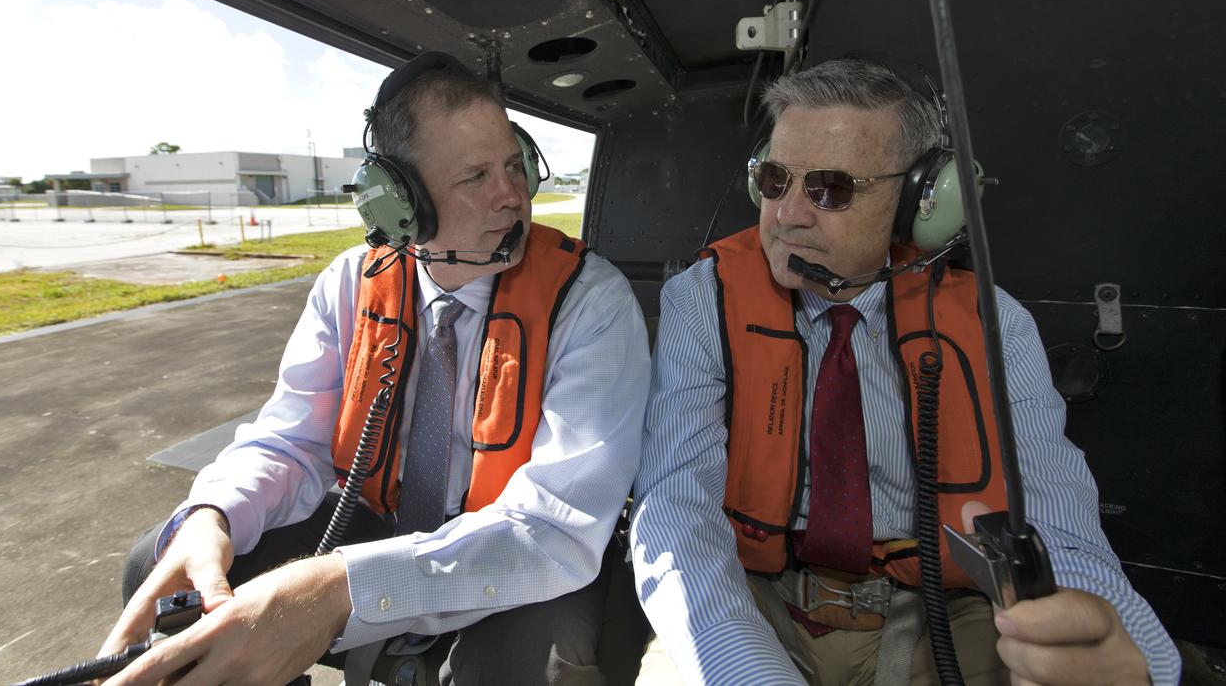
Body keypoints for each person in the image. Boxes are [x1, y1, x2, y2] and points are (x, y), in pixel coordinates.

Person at [100, 52, 650, 685]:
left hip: (518, 549)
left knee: (541, 670)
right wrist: (213, 515)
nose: (514, 195)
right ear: (400, 203)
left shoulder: (588, 298)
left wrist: (338, 589)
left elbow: (556, 526)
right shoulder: (350, 284)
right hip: (378, 518)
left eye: (513, 164)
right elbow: (289, 440)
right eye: (475, 177)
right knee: (163, 566)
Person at [629, 58, 1179, 685]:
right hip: (755, 596)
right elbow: (676, 503)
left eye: (832, 189)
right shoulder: (705, 297)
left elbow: (1058, 522)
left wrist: (1100, 633)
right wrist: (746, 669)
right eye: (776, 179)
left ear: (921, 202)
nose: (788, 216)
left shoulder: (994, 323)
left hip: (941, 607)